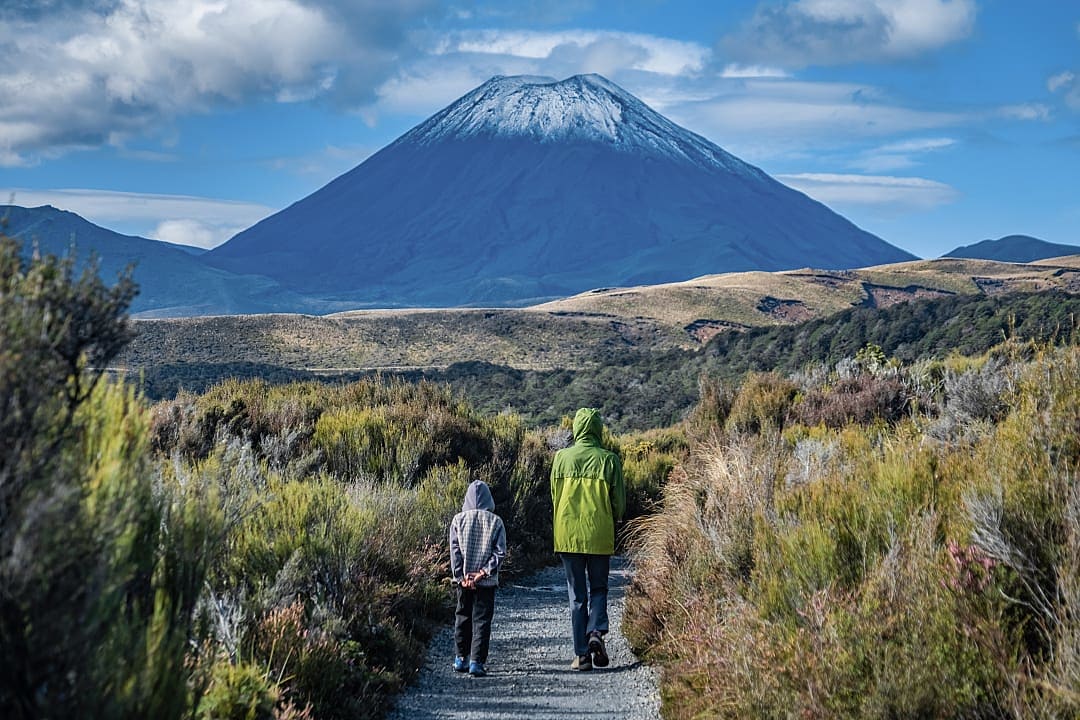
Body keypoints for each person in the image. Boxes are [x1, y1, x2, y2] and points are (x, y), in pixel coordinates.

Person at [550, 408, 625, 671]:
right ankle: (596, 631)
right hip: (599, 534)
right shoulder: (609, 460)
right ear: (598, 430)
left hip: (568, 535)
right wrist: (611, 519)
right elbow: (619, 504)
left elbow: (555, 496)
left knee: (577, 595)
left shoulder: (561, 458)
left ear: (577, 429)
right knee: (600, 588)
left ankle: (582, 656)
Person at [449, 479, 506, 678]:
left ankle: (460, 658)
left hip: (463, 582)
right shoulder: (496, 521)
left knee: (462, 617)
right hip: (486, 582)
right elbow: (499, 553)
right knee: (481, 621)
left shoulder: (458, 520)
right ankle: (476, 662)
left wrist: (461, 576)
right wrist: (483, 573)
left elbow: (455, 552)